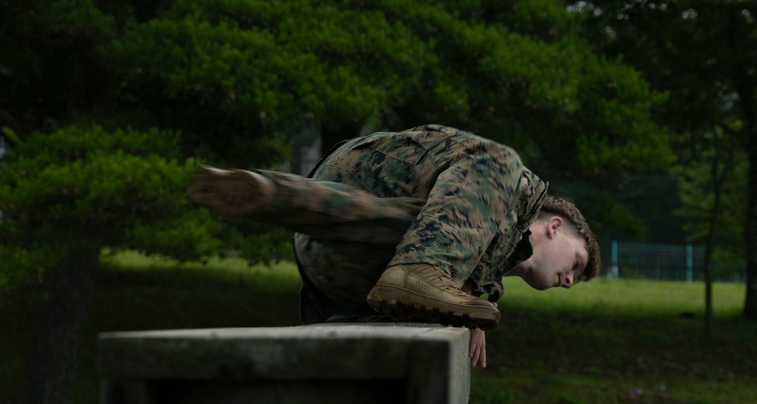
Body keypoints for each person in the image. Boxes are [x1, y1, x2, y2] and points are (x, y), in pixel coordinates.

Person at [188, 124, 600, 368]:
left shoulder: (485, 263)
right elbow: (493, 205)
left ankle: (277, 197)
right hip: (359, 177)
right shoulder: (514, 190)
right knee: (502, 162)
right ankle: (280, 197)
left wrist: (467, 301)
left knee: (421, 240)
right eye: (577, 263)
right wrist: (469, 294)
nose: (570, 280)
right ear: (555, 227)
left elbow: (478, 248)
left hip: (338, 270)